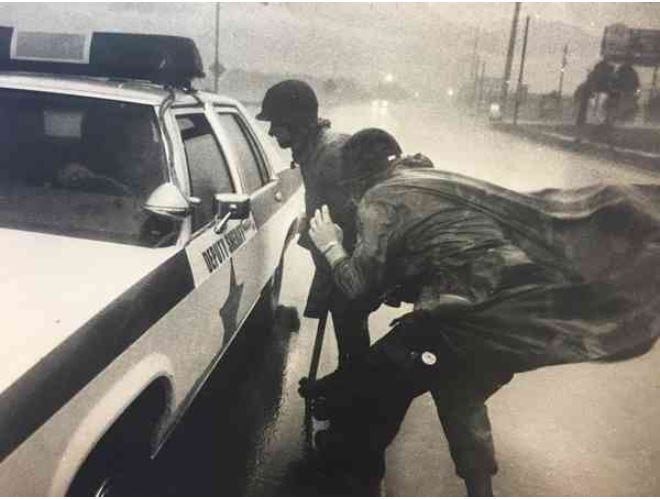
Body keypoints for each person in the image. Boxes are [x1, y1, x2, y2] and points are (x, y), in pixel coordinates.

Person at [304, 128, 660, 495]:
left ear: (357, 180)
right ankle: (480, 490)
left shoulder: (380, 200)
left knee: (383, 381)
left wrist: (331, 246)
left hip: (467, 316)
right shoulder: (425, 178)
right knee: (459, 395)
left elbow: (361, 293)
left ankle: (361, 476)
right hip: (508, 310)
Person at [256, 80, 371, 366]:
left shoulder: (330, 155)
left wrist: (338, 263)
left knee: (352, 337)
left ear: (296, 124)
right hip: (337, 263)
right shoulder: (313, 151)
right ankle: (350, 390)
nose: (271, 132)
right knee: (350, 335)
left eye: (276, 124)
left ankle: (354, 398)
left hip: (347, 265)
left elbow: (355, 218)